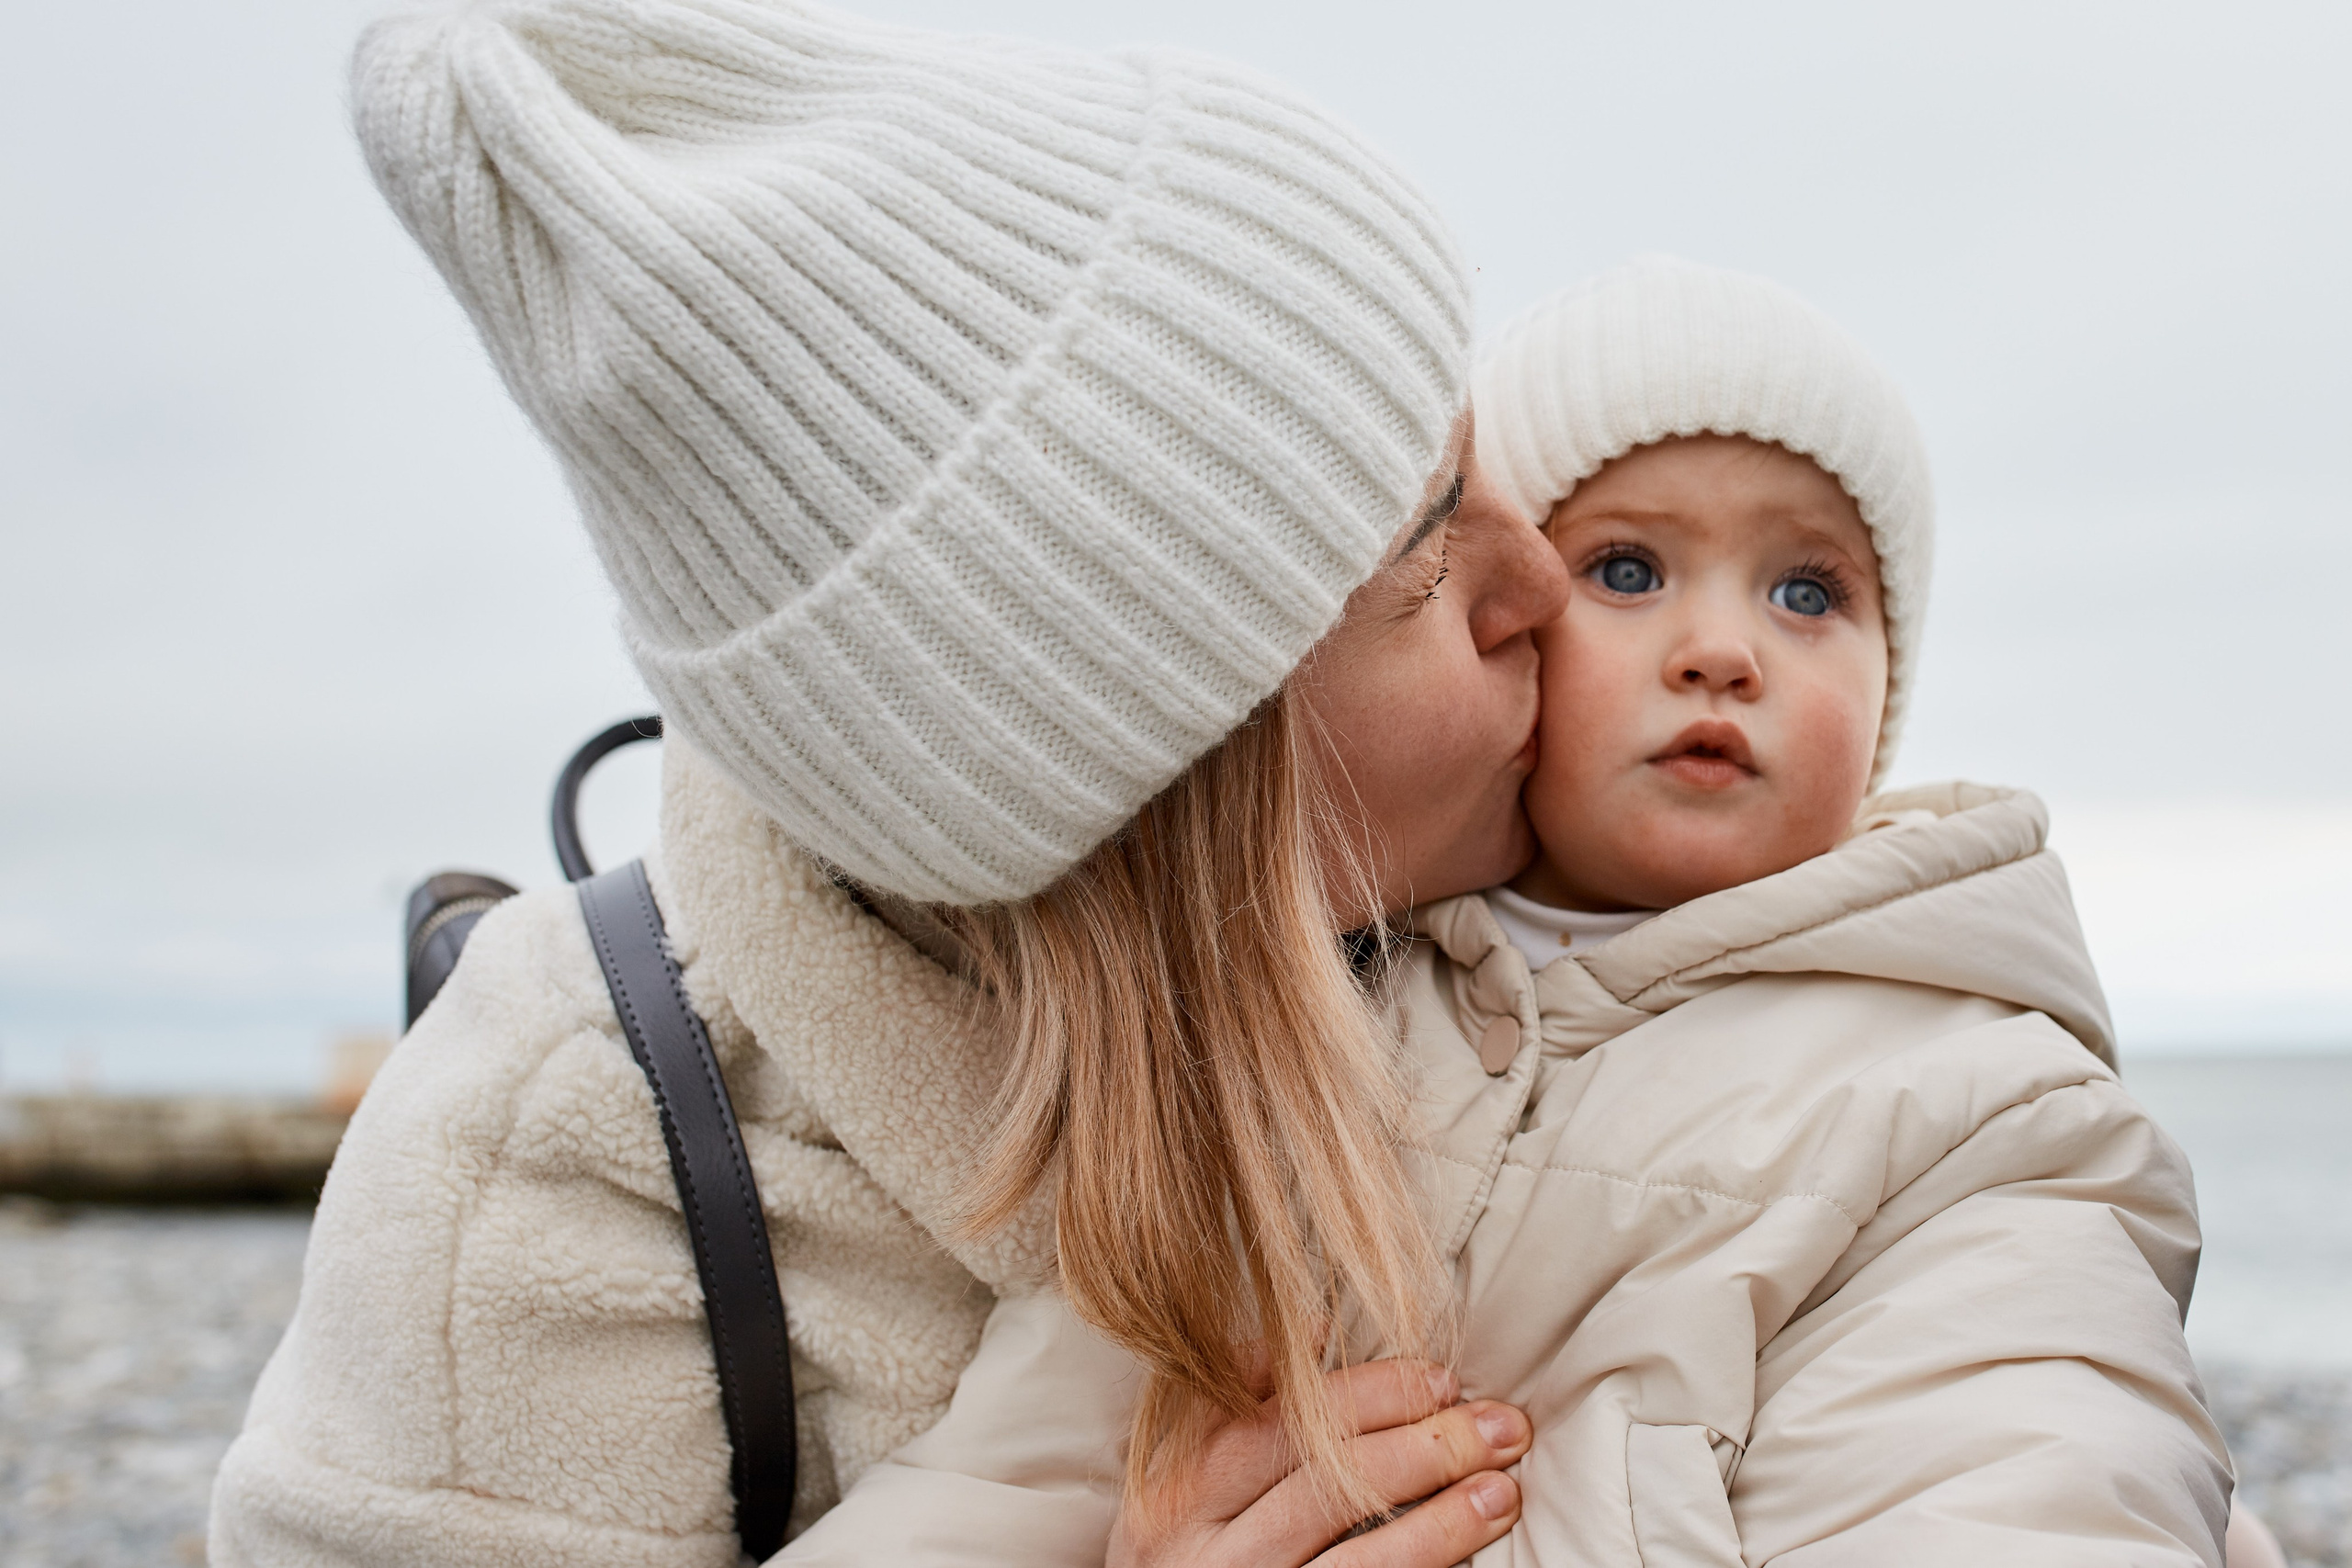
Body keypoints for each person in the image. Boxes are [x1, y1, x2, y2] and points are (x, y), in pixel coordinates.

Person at [208, 0, 1562, 1562]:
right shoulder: (538, 1193)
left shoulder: (1602, 905)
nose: (1545, 578)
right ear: (1157, 778)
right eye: (1428, 562)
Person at [777, 258, 2246, 1567]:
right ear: (1505, 620)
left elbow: (2025, 1465)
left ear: (1888, 693)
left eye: (1810, 591)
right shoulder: (1299, 1043)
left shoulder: (1974, 1100)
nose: (1723, 650)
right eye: (1627, 569)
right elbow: (1013, 1472)